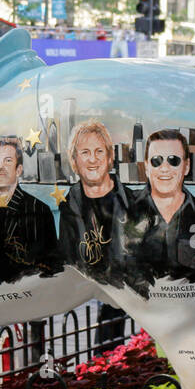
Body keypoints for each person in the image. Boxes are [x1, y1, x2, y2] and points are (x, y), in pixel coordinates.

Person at [126, 128, 195, 284]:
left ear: (186, 166)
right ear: (147, 167)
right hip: (138, 306)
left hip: (194, 306)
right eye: (156, 160)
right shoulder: (126, 211)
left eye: (173, 160)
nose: (164, 168)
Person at [57, 119, 139, 293]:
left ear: (110, 157)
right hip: (84, 298)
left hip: (128, 297)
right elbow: (67, 263)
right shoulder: (68, 207)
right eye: (85, 152)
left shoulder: (134, 203)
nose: (92, 159)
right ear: (74, 160)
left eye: (99, 151)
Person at [0, 135, 59, 283]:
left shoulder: (40, 211)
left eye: (8, 160)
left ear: (19, 169)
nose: (0, 166)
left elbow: (51, 268)